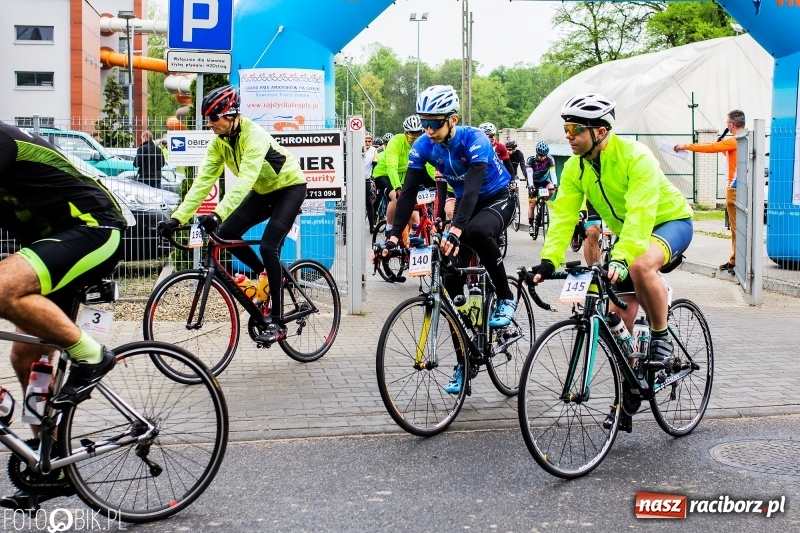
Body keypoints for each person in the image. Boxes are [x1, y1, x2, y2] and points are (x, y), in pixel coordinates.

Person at [528, 93, 693, 430]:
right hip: (632, 232)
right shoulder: (575, 167)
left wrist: (619, 257)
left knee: (638, 266)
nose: (568, 135)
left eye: (575, 128)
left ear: (600, 132)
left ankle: (660, 336)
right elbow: (562, 216)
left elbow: (641, 211)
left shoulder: (635, 156)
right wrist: (548, 260)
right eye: (566, 128)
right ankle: (629, 393)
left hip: (669, 221)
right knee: (618, 319)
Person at [0, 122, 126, 509]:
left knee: (3, 288)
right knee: (28, 357)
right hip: (54, 243)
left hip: (94, 229)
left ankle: (92, 355)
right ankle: (47, 458)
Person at [382, 85, 515, 394]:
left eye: (435, 122)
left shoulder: (474, 140)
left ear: (452, 119)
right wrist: (391, 237)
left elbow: (470, 190)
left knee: (477, 232)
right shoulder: (424, 146)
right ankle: (465, 354)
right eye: (423, 121)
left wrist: (455, 229)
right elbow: (408, 195)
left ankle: (506, 296)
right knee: (446, 273)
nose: (427, 129)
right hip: (467, 204)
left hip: (495, 199)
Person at [157, 85, 307, 345]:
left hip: (289, 189)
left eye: (213, 118)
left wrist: (217, 213)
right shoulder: (220, 143)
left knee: (269, 245)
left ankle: (279, 322)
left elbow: (246, 178)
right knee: (226, 233)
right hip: (263, 191)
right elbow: (203, 182)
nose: (209, 124)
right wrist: (177, 217)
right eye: (207, 119)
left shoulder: (253, 135)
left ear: (232, 115)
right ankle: (267, 275)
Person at [674, 110, 745, 272]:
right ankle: (735, 259)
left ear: (731, 125)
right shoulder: (743, 139)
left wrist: (686, 146)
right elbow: (727, 153)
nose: (726, 125)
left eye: (727, 123)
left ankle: (737, 262)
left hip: (734, 188)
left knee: (736, 228)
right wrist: (721, 146)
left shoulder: (734, 140)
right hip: (741, 186)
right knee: (737, 227)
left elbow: (710, 148)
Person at [372, 115, 428, 238]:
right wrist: (397, 188)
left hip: (404, 176)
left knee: (414, 214)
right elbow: (392, 167)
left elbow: (429, 165)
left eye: (418, 136)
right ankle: (389, 228)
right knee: (397, 199)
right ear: (405, 133)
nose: (415, 140)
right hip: (385, 174)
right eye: (412, 136)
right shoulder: (396, 142)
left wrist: (435, 183)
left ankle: (413, 239)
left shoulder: (424, 142)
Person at [525, 141, 557, 236]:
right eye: (540, 155)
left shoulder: (550, 159)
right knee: (532, 204)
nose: (542, 157)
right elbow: (529, 174)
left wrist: (555, 184)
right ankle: (531, 225)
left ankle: (543, 202)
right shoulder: (531, 160)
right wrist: (531, 186)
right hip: (533, 182)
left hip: (544, 180)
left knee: (552, 188)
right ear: (536, 153)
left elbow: (553, 173)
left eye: (544, 156)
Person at [363, 133, 377, 233]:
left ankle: (372, 226)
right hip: (355, 179)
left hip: (366, 179)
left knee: (369, 203)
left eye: (369, 141)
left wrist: (374, 177)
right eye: (365, 141)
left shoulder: (373, 150)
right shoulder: (357, 148)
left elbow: (375, 164)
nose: (367, 143)